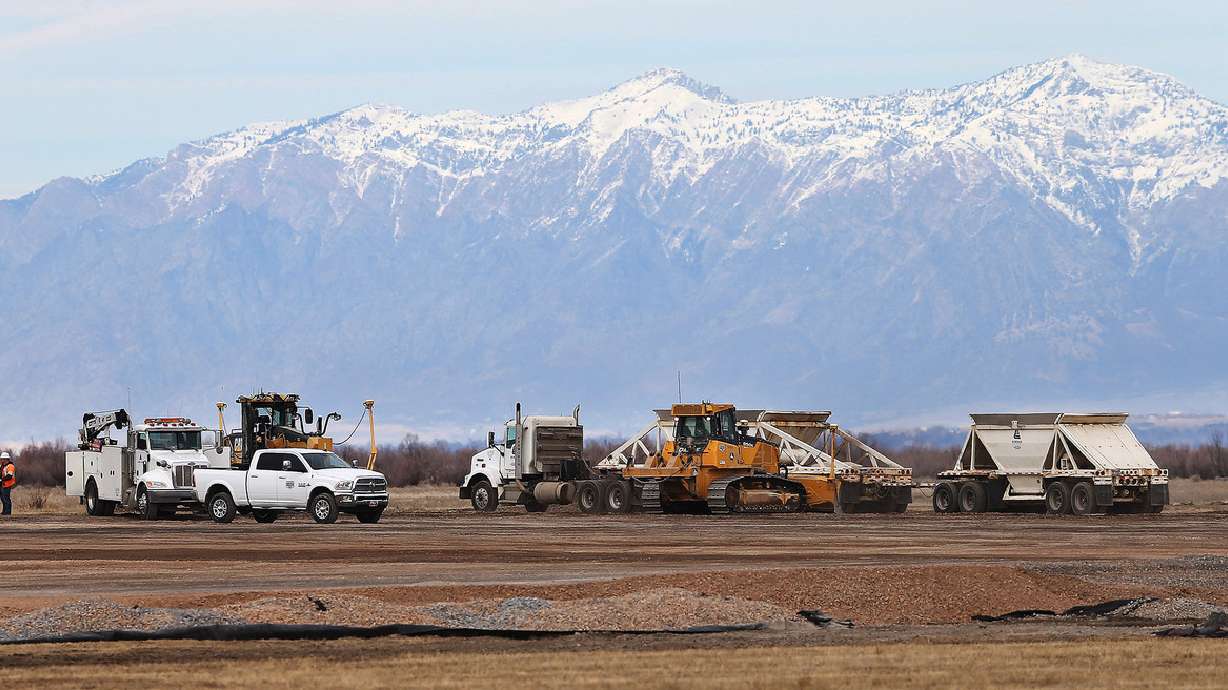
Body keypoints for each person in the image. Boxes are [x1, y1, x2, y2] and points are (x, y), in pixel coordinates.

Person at [0, 451, 14, 516]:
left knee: (6, 498)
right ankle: (4, 512)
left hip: (7, 484)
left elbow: (9, 476)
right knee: (3, 498)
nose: (1, 460)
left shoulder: (10, 466)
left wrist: (1, 479)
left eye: (2, 459)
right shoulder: (2, 466)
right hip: (2, 484)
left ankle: (8, 512)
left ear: (6, 459)